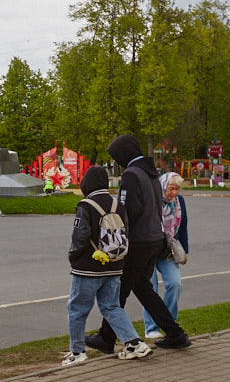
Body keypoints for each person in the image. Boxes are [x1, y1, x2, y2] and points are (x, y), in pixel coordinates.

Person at [87, 134, 192, 353]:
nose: (116, 162)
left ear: (124, 155)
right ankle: (175, 334)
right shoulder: (150, 173)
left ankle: (107, 338)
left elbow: (128, 212)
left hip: (138, 241)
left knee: (119, 291)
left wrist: (119, 239)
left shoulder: (132, 175)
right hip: (154, 239)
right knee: (143, 289)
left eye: (117, 157)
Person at [63, 166, 152, 366]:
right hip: (114, 265)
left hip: (88, 267)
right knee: (111, 306)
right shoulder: (118, 205)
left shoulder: (86, 205)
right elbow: (125, 232)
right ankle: (134, 342)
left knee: (77, 309)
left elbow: (80, 237)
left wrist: (73, 257)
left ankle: (77, 352)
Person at [144, 172, 190, 339]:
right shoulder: (153, 200)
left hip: (168, 250)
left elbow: (183, 226)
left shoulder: (179, 202)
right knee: (150, 290)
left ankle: (168, 323)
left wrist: (184, 251)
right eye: (171, 189)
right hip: (149, 251)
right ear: (163, 186)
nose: (174, 193)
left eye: (177, 189)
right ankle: (151, 328)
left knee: (175, 284)